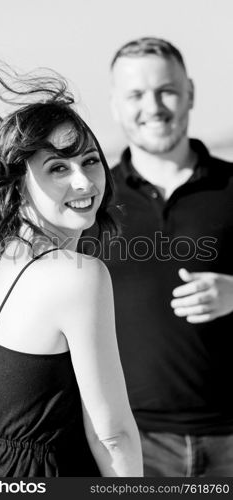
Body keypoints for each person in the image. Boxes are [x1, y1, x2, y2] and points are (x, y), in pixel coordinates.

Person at [0, 59, 142, 478]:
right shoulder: (77, 275)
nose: (84, 183)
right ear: (18, 182)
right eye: (58, 168)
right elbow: (112, 434)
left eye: (90, 160)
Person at [105, 37, 233, 476]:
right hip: (130, 443)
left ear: (191, 93)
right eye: (136, 95)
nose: (153, 106)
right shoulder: (92, 202)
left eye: (167, 90)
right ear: (115, 105)